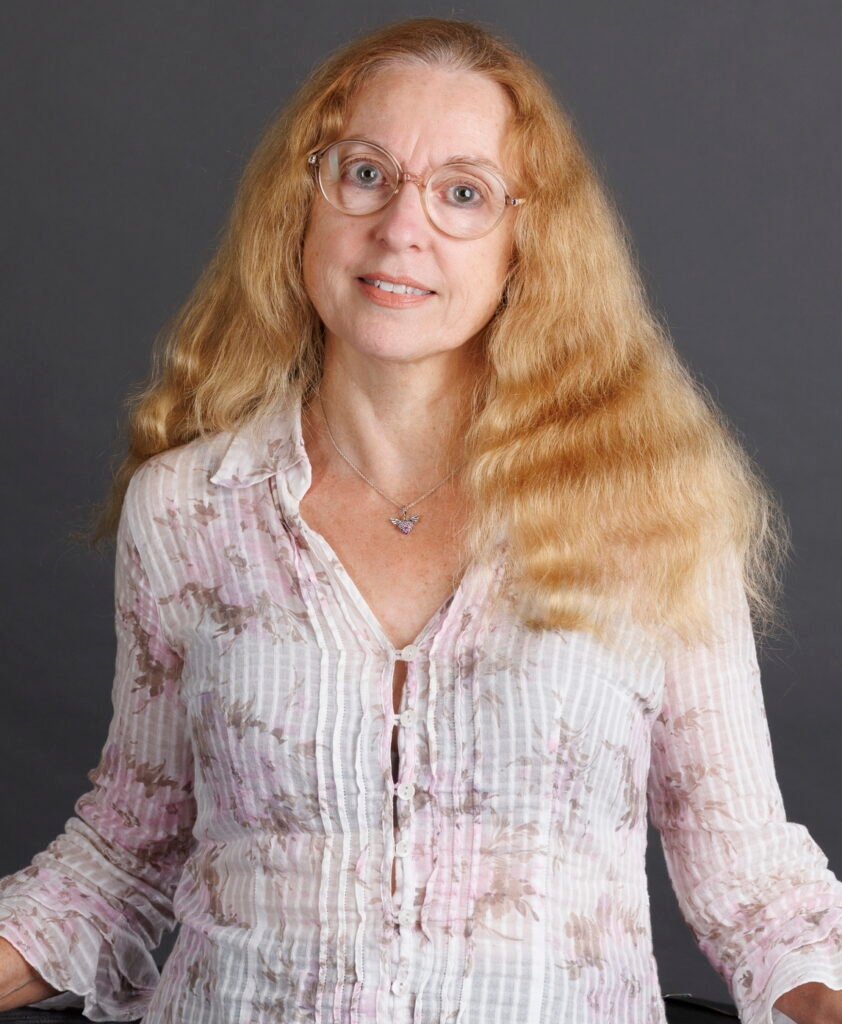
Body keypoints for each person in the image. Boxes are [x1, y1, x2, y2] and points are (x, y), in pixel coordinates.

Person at [0, 15, 840, 1024]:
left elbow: (754, 883)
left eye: (463, 193)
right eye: (364, 175)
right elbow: (124, 853)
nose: (402, 227)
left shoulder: (649, 512)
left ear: (527, 242)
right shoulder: (188, 507)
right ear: (300, 204)